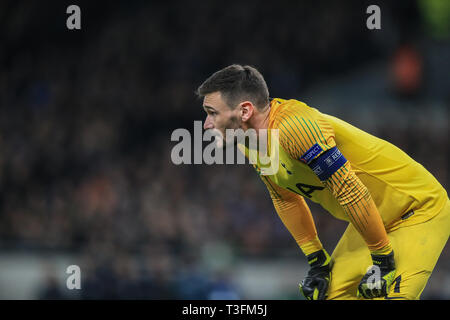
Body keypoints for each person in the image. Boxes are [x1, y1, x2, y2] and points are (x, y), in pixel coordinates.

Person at [195, 64, 449, 300]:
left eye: (211, 113)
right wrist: (317, 261)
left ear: (245, 111)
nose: (206, 124)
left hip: (418, 209)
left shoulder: (296, 127)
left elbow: (350, 191)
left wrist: (382, 260)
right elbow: (285, 198)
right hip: (375, 219)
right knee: (330, 296)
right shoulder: (250, 143)